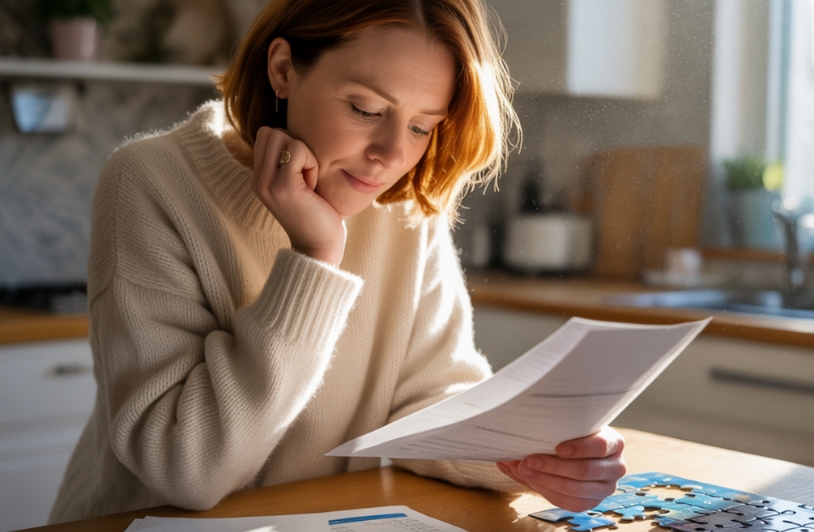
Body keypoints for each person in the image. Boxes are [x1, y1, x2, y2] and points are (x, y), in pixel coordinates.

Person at [49, 0, 625, 524]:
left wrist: (532, 453)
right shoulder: (151, 181)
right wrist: (316, 256)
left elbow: (425, 406)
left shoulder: (403, 205)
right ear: (283, 69)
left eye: (423, 126)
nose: (393, 155)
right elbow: (187, 469)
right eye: (366, 108)